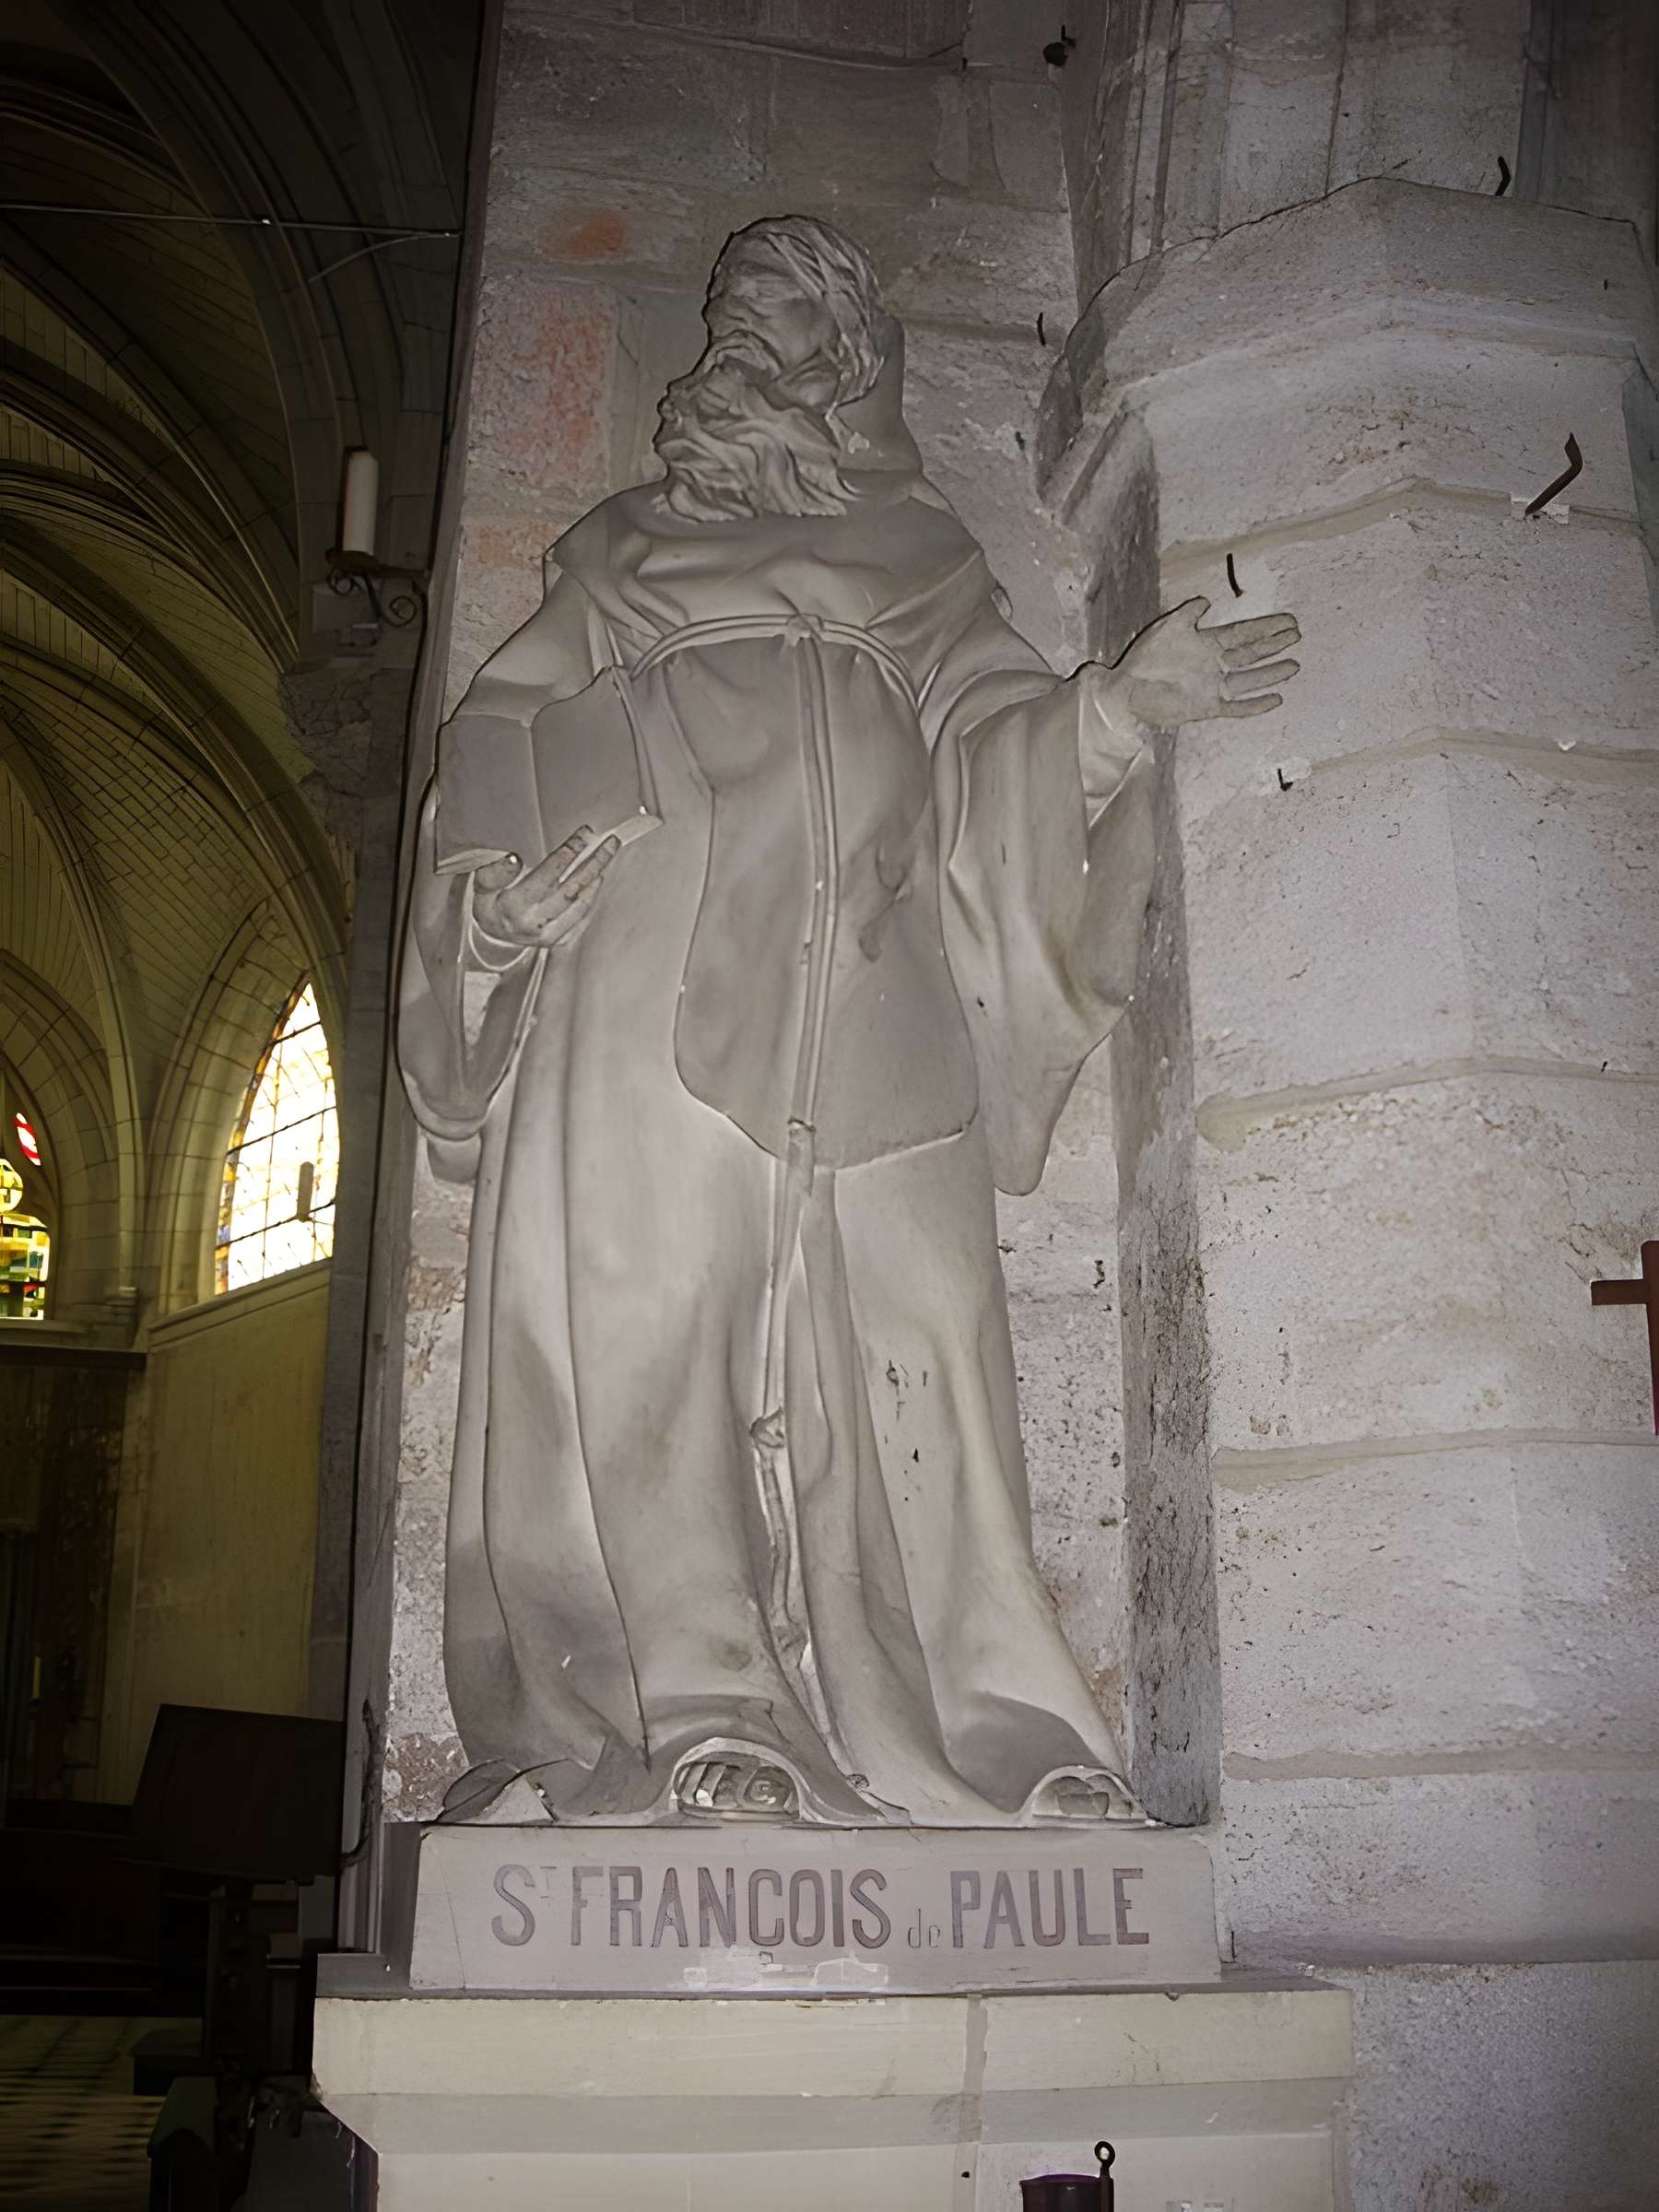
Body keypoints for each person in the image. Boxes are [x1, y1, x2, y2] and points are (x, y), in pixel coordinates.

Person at [399, 217, 1299, 1826]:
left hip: (879, 977)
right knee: (653, 1318)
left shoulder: (926, 562)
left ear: (853, 365)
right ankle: (694, 1705)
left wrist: (1115, 707)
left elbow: (1001, 736)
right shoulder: (612, 559)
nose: (737, 349)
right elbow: (498, 738)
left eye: (777, 324)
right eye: (724, 319)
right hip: (643, 976)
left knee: (934, 1333)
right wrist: (488, 908)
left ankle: (987, 1727)